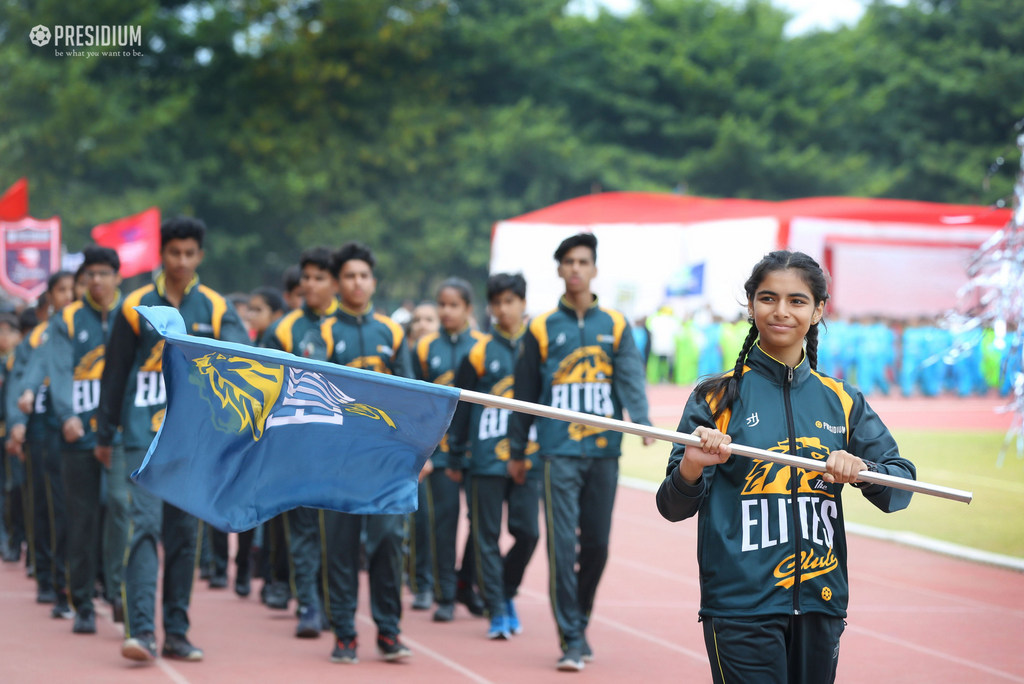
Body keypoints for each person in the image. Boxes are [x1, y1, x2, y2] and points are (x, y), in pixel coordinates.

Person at [655, 250, 916, 684]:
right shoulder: (716, 398)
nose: (780, 311)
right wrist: (692, 467)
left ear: (817, 311)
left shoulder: (843, 399)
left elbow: (899, 484)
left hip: (821, 601)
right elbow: (672, 506)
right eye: (767, 298)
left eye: (797, 301)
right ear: (751, 305)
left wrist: (863, 469)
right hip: (741, 604)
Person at [96, 216, 250, 663]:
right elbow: (114, 372)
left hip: (193, 441)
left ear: (200, 256)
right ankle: (141, 631)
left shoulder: (218, 310)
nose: (181, 261)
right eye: (174, 253)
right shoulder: (134, 307)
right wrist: (106, 433)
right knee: (142, 527)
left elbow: (244, 364)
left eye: (189, 253)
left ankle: (177, 632)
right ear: (161, 255)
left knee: (184, 534)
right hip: (141, 436)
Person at [508, 233, 652, 671]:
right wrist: (518, 449)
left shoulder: (617, 324)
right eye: (568, 261)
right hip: (558, 451)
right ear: (558, 270)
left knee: (599, 544)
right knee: (560, 544)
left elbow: (629, 376)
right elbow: (524, 392)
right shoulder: (540, 327)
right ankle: (570, 636)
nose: (575, 268)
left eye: (582, 261)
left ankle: (581, 616)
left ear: (594, 269)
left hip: (605, 450)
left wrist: (641, 420)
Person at [319, 241, 415, 664]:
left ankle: (389, 632)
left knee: (389, 541)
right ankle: (343, 633)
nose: (357, 283)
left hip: (384, 459)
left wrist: (414, 450)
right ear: (338, 283)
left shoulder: (392, 333)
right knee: (340, 547)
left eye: (364, 275)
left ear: (373, 282)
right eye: (349, 276)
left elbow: (414, 396)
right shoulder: (321, 333)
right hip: (337, 459)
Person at [447, 273, 541, 641]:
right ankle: (498, 608)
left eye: (511, 301)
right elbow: (462, 408)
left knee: (528, 533)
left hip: (528, 458)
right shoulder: (478, 351)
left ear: (523, 303)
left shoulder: (539, 346)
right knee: (485, 535)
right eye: (497, 302)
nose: (504, 309)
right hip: (485, 459)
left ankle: (505, 590)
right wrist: (456, 456)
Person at [40, 246, 123, 634]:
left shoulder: (134, 314)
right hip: (78, 437)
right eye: (89, 274)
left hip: (122, 437)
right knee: (82, 519)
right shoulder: (67, 320)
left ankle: (119, 590)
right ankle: (83, 601)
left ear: (117, 277)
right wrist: (67, 415)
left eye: (104, 273)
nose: (96, 280)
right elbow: (57, 370)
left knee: (119, 510)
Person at [263, 246, 340, 638]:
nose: (309, 284)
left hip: (343, 447)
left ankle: (335, 603)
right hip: (299, 443)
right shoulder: (284, 329)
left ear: (336, 283)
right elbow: (266, 384)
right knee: (304, 528)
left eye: (319, 278)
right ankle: (308, 603)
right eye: (305, 277)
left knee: (338, 530)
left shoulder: (348, 328)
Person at [412, 278, 487, 621]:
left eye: (454, 305)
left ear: (468, 309)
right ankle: (443, 593)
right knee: (443, 522)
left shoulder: (483, 347)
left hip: (478, 452)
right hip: (438, 452)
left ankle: (465, 584)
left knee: (480, 524)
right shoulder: (425, 348)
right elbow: (415, 401)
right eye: (442, 304)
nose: (446, 311)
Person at [4, 272, 75, 617]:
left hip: (80, 431)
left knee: (85, 508)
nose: (69, 295)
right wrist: (17, 423)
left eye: (72, 289)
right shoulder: (36, 339)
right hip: (43, 430)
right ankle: (48, 578)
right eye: (62, 290)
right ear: (50, 297)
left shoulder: (91, 333)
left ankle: (86, 579)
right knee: (46, 506)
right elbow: (20, 384)